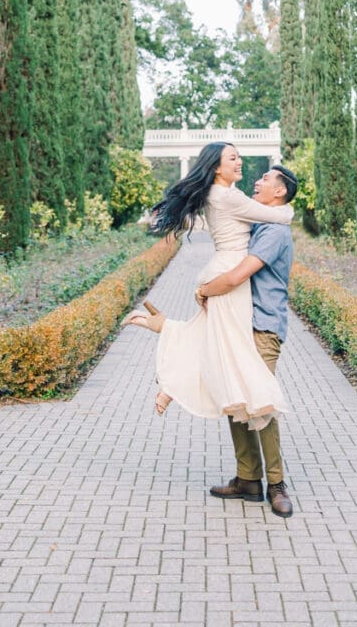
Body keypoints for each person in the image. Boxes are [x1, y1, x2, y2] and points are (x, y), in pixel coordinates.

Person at [124, 142, 294, 434]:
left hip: (222, 265)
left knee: (212, 336)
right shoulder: (226, 197)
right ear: (216, 166)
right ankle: (174, 374)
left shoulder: (222, 195)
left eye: (239, 156)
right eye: (233, 158)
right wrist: (289, 208)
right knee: (228, 346)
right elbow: (279, 216)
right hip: (229, 272)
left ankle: (169, 372)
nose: (240, 162)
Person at [195, 164, 297, 518]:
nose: (257, 180)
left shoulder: (273, 230)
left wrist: (205, 289)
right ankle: (248, 479)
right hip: (239, 322)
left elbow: (239, 274)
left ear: (280, 192)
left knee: (260, 401)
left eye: (266, 179)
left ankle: (277, 483)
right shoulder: (256, 223)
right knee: (235, 396)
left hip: (263, 327)